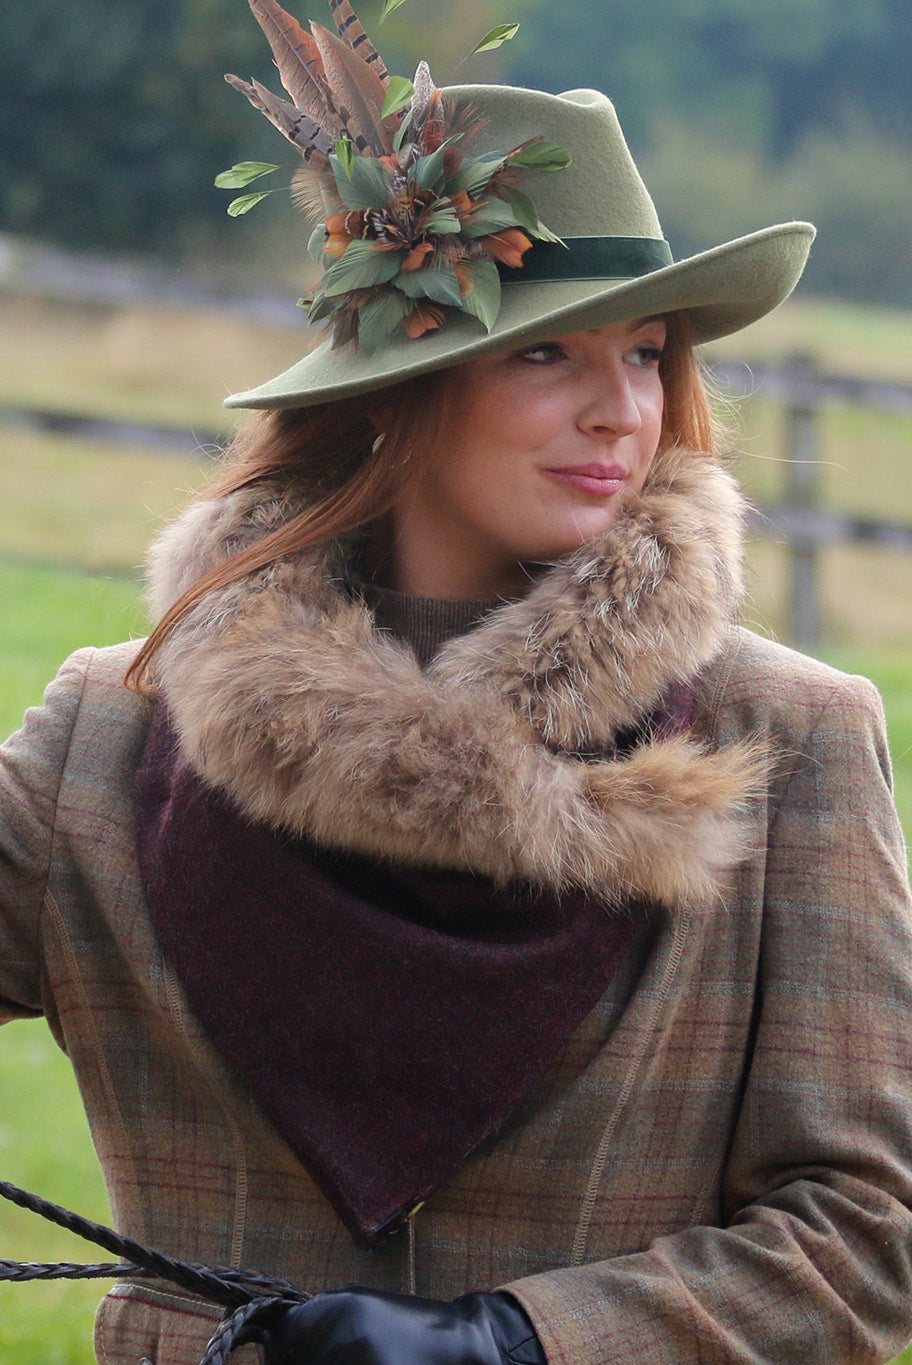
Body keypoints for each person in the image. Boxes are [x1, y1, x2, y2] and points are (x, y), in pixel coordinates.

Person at [3, 2, 912, 1362]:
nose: (623, 408)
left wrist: (520, 1341)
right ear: (396, 383)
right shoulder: (111, 729)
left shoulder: (789, 735)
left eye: (646, 351)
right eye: (546, 349)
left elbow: (869, 1236)